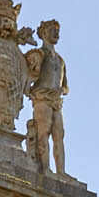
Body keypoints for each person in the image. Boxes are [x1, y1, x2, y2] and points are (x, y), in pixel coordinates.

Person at [25, 16, 67, 175]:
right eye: (52, 30)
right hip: (42, 99)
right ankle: (45, 168)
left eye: (57, 31)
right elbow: (30, 77)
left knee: (58, 135)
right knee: (43, 133)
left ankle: (61, 172)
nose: (56, 33)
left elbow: (65, 86)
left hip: (56, 101)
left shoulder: (60, 60)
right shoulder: (39, 54)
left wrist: (62, 90)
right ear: (43, 33)